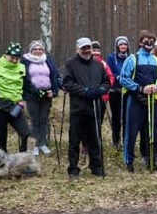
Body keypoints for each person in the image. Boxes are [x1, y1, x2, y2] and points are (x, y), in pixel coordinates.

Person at [120, 30, 157, 172]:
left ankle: (151, 160)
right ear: (141, 42)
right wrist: (140, 88)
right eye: (146, 40)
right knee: (131, 132)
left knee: (152, 132)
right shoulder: (132, 59)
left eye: (151, 40)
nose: (149, 43)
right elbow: (123, 78)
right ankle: (129, 162)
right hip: (134, 101)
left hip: (152, 101)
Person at [62, 37, 110, 179]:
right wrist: (84, 91)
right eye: (83, 48)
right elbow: (67, 83)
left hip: (95, 107)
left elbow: (107, 81)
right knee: (74, 140)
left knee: (94, 139)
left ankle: (96, 166)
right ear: (78, 49)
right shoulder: (70, 64)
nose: (87, 50)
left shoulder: (98, 65)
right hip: (78, 108)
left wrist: (101, 90)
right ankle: (73, 169)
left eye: (88, 47)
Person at [0, 42, 35, 153]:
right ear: (6, 55)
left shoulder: (22, 67)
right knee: (1, 140)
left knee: (26, 133)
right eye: (12, 58)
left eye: (17, 58)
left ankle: (22, 160)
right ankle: (2, 166)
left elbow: (28, 86)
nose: (15, 61)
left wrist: (25, 98)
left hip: (15, 107)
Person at [22, 40, 62, 156]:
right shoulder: (25, 61)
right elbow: (24, 79)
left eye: (40, 49)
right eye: (35, 49)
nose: (38, 51)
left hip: (46, 94)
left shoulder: (48, 60)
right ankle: (34, 145)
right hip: (32, 95)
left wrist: (54, 91)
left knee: (44, 120)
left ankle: (43, 144)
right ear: (31, 50)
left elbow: (55, 75)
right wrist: (33, 91)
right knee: (34, 121)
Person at [106, 36, 130, 149]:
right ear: (117, 46)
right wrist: (118, 77)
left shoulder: (131, 58)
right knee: (116, 117)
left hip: (127, 91)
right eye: (121, 44)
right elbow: (109, 72)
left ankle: (126, 141)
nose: (123, 46)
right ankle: (116, 141)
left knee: (126, 117)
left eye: (125, 44)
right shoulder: (111, 57)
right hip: (115, 91)